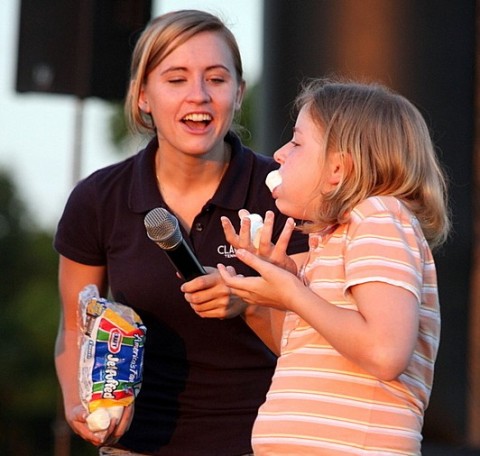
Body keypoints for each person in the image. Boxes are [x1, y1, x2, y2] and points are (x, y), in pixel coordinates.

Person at [53, 9, 307, 456]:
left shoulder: (286, 194)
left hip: (264, 443)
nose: (199, 95)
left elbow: (318, 341)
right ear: (143, 97)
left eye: (216, 78)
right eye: (176, 79)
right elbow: (76, 326)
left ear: (238, 92)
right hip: (136, 446)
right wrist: (80, 405)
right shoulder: (98, 199)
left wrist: (247, 303)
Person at [218, 78, 451, 455]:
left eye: (296, 143)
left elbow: (385, 352)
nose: (278, 154)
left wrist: (293, 294)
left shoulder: (378, 216)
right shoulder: (329, 241)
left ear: (338, 170)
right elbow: (308, 356)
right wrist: (278, 287)